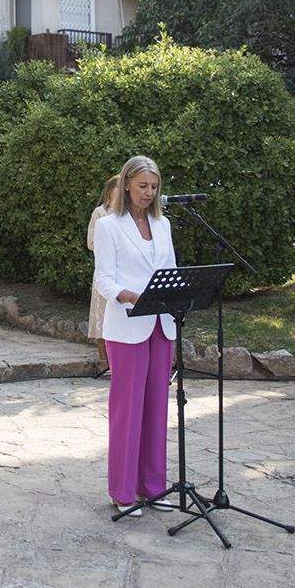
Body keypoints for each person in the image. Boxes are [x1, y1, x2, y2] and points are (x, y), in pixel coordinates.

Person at [92, 155, 178, 515]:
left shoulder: (163, 224)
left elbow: (170, 269)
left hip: (162, 324)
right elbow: (104, 279)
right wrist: (127, 295)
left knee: (157, 407)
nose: (149, 192)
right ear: (126, 184)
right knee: (128, 410)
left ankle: (153, 488)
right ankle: (124, 492)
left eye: (154, 187)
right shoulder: (108, 225)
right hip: (127, 324)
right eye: (142, 185)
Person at [86, 175, 122, 375]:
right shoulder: (99, 213)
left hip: (124, 274)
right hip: (105, 272)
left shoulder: (128, 214)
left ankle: (121, 362)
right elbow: (91, 242)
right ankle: (103, 361)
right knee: (102, 316)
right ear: (109, 191)